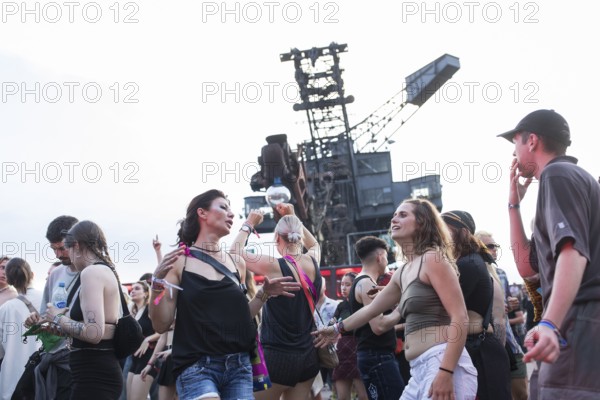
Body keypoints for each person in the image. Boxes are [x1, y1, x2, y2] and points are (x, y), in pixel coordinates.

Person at [314, 199, 477, 400]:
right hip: (418, 369)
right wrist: (336, 328)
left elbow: (460, 317)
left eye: (403, 215)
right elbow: (371, 310)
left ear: (422, 222)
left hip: (441, 361)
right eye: (394, 215)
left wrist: (446, 371)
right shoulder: (404, 271)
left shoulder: (434, 260)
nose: (394, 219)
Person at [148, 190, 300, 400]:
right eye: (223, 207)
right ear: (202, 213)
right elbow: (161, 324)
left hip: (239, 366)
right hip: (197, 366)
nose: (231, 213)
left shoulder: (236, 262)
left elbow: (241, 317)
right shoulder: (179, 261)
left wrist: (263, 294)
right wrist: (156, 286)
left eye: (230, 208)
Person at [499, 109, 600, 397]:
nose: (515, 154)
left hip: (578, 319)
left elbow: (573, 252)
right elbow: (528, 269)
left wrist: (549, 322)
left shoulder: (558, 174)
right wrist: (514, 205)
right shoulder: (566, 177)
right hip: (577, 321)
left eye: (516, 143)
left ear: (532, 141)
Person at [230, 203, 322, 400]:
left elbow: (234, 252)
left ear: (277, 238)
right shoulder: (314, 260)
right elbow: (314, 245)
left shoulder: (273, 266)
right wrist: (293, 216)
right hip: (309, 355)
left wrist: (249, 224)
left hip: (277, 357)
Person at [33, 220, 124, 399]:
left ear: (75, 245)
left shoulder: (91, 273)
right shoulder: (105, 270)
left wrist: (58, 318)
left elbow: (93, 332)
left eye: (67, 249)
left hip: (94, 373)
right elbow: (103, 329)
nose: (69, 259)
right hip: (97, 369)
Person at [441, 211, 511, 400]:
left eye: (445, 230)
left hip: (480, 352)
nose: (439, 234)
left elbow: (443, 309)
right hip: (479, 349)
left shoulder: (468, 264)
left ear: (463, 232)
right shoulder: (467, 261)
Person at [23, 215, 80, 400]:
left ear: (76, 242)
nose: (58, 254)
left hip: (83, 363)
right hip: (55, 360)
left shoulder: (95, 272)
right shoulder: (56, 274)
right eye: (53, 249)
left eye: (62, 248)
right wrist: (35, 321)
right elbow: (45, 317)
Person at [346, 236, 405, 400]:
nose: (386, 260)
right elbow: (378, 326)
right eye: (386, 256)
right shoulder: (366, 284)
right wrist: (401, 307)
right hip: (377, 357)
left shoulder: (362, 281)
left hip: (373, 356)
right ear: (380, 256)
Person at [475, 230, 528, 400]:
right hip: (489, 344)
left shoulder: (501, 273)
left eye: (495, 246)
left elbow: (504, 306)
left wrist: (509, 304)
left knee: (522, 394)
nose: (494, 250)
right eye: (489, 246)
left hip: (511, 342)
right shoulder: (471, 271)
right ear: (477, 247)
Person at [0, 257, 43, 400]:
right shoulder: (46, 299)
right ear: (32, 275)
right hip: (43, 375)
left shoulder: (6, 308)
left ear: (10, 281)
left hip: (12, 380)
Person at [332, 272, 368, 400]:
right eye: (341, 284)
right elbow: (333, 324)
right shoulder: (341, 306)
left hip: (358, 349)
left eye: (347, 284)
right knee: (342, 397)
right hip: (342, 352)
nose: (343, 288)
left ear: (355, 286)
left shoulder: (360, 304)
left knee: (364, 396)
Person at [127, 281, 161, 400]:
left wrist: (148, 339)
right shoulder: (133, 312)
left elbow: (163, 331)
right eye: (132, 289)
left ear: (146, 293)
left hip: (147, 359)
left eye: (137, 288)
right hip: (134, 360)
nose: (133, 290)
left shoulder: (150, 309)